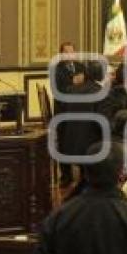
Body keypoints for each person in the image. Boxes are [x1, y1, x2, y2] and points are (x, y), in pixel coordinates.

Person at [54, 42, 85, 187]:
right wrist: (74, 82)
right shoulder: (57, 69)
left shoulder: (80, 67)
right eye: (67, 52)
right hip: (64, 111)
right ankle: (66, 175)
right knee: (64, 141)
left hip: (80, 109)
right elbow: (60, 91)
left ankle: (84, 173)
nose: (70, 55)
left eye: (72, 52)